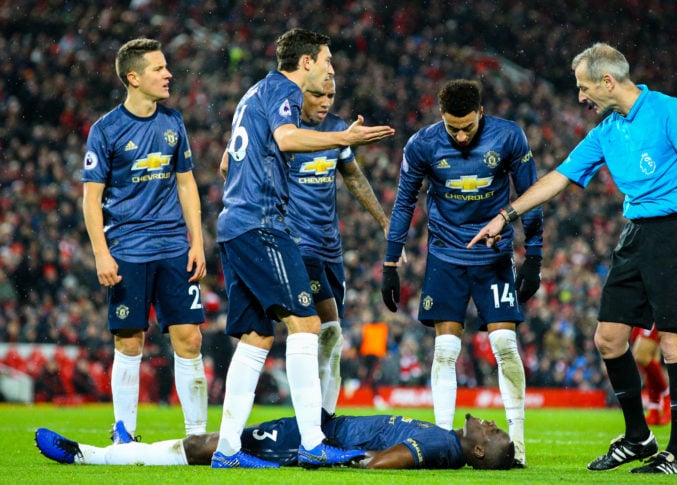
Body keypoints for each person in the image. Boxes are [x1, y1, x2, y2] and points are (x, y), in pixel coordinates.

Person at [469, 42, 677, 475]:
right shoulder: (606, 132)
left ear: (608, 81)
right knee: (608, 339)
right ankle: (638, 438)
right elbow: (557, 178)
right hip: (635, 236)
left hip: (676, 232)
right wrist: (507, 214)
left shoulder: (669, 111)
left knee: (672, 341)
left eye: (584, 87)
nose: (580, 97)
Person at [214, 28, 394, 468]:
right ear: (307, 62)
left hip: (234, 224)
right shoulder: (281, 89)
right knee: (307, 323)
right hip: (261, 224)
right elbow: (288, 139)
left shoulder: (254, 93)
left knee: (257, 337)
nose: (332, 70)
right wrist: (344, 139)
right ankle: (314, 443)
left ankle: (227, 450)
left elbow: (224, 164)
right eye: (327, 61)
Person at [381, 79, 544, 468]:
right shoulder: (422, 144)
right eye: (452, 127)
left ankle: (517, 445)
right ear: (442, 116)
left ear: (481, 113)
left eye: (467, 127)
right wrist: (389, 262)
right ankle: (440, 445)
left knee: (505, 344)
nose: (459, 135)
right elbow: (405, 202)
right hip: (446, 256)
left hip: (493, 255)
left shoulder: (508, 137)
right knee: (446, 349)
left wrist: (533, 255)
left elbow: (530, 195)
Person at [81, 38, 208, 438]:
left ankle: (196, 436)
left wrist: (198, 242)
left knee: (189, 337)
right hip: (127, 251)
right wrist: (102, 254)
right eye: (158, 68)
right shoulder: (106, 130)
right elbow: (91, 198)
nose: (168, 74)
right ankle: (124, 433)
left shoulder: (173, 122)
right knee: (129, 340)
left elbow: (186, 185)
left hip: (173, 247)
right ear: (133, 78)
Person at [287, 77, 390, 413]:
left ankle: (325, 418)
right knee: (324, 328)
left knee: (332, 335)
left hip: (331, 247)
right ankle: (314, 419)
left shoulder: (336, 130)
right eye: (317, 94)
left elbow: (354, 176)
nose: (325, 101)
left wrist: (385, 221)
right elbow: (232, 167)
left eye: (330, 94)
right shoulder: (282, 131)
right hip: (299, 245)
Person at [35, 413, 515, 470]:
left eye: (491, 434)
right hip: (319, 430)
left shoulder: (442, 449)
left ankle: (87, 456)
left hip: (320, 437)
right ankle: (109, 450)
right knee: (210, 443)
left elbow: (382, 463)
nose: (488, 424)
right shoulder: (448, 439)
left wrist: (345, 460)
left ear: (477, 451)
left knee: (209, 445)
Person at [631, 325, 670, 425]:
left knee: (640, 356)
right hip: (644, 312)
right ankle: (654, 409)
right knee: (652, 358)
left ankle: (667, 394)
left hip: (653, 313)